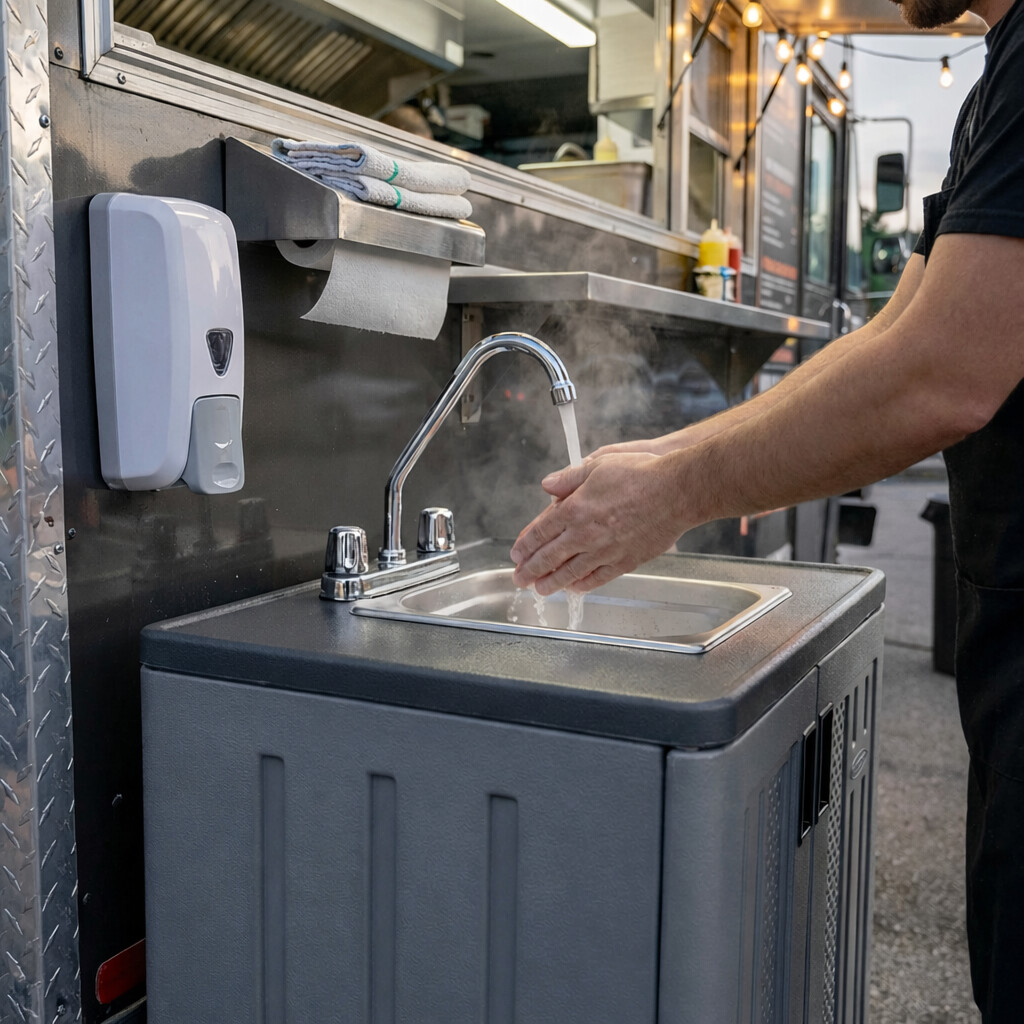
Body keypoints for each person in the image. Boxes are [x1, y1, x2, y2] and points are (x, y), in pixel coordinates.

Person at [510, 0, 1024, 1019]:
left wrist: (674, 491)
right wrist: (666, 453)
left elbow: (946, 373)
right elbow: (886, 337)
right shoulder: (991, 83)